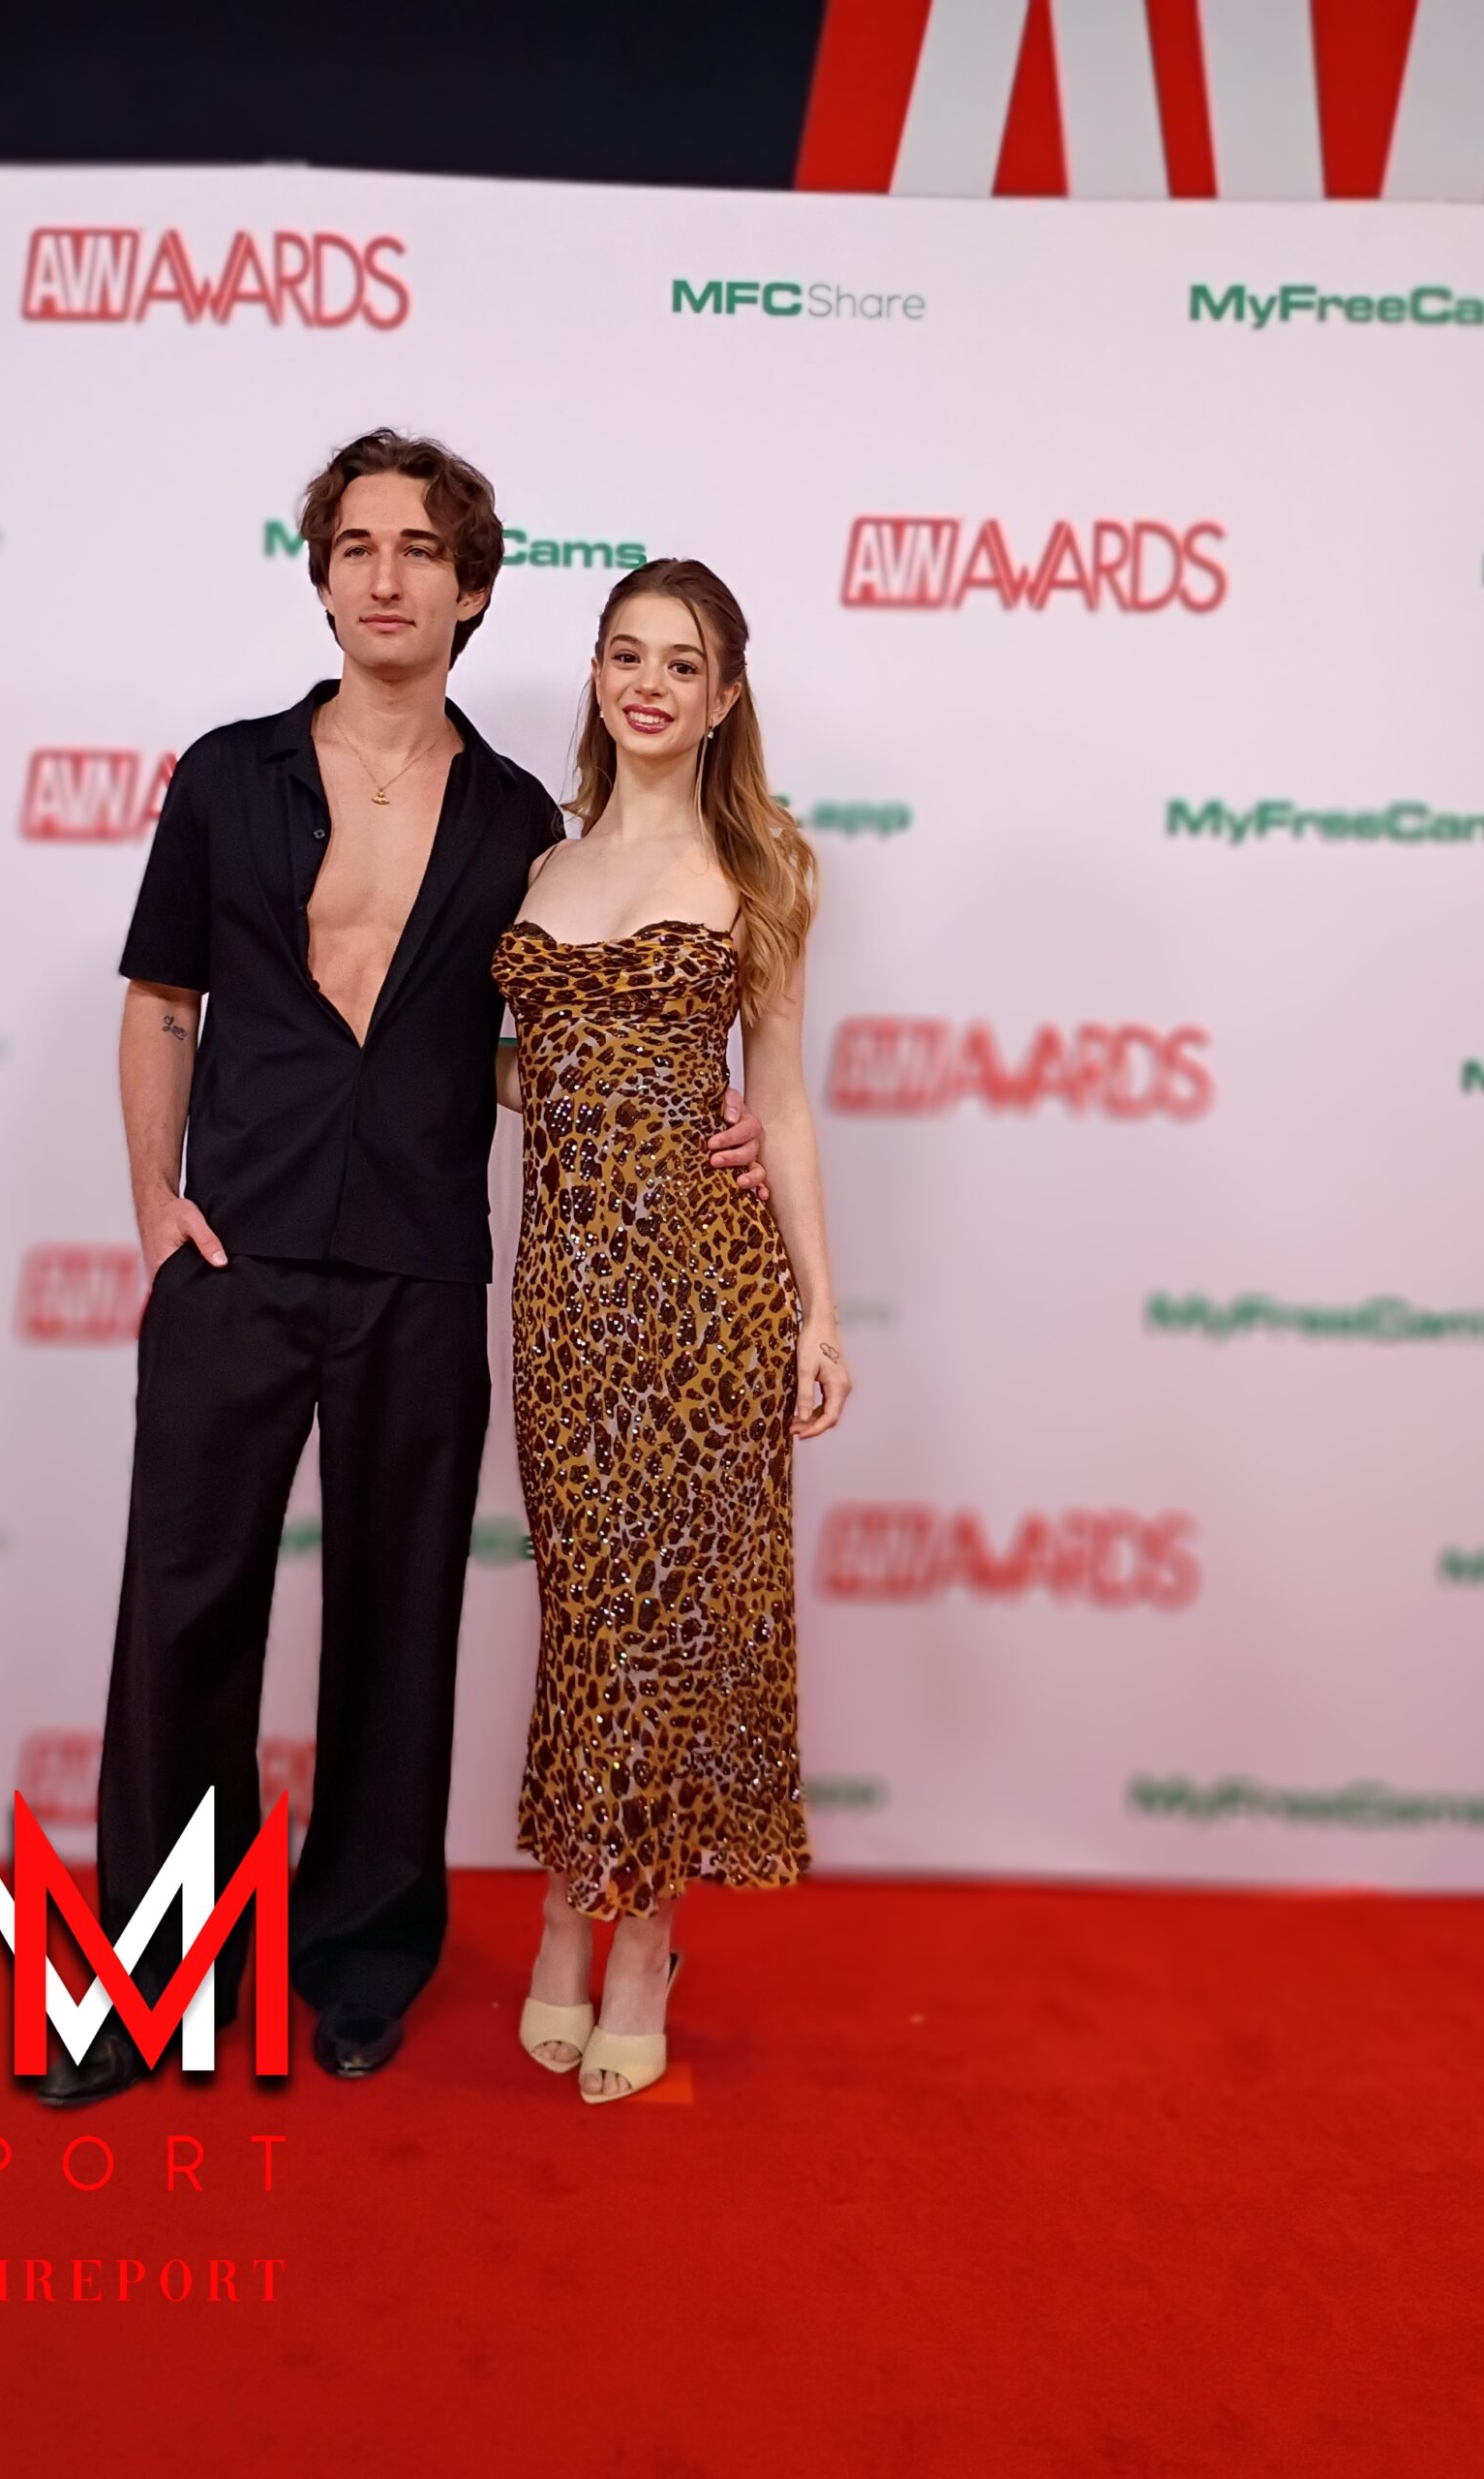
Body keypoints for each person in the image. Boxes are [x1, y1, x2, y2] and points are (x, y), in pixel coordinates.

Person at [39, 437, 768, 2102]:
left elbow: (557, 1039)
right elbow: (161, 1002)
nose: (385, 575)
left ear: (472, 588)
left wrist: (697, 1114)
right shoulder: (224, 778)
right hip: (235, 1251)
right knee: (183, 1622)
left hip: (422, 1269)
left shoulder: (522, 823)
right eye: (357, 546)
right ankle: (154, 1979)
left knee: (398, 1623)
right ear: (322, 578)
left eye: (420, 549)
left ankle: (364, 1959)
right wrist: (154, 1200)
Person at [495, 558, 851, 2102]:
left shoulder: (761, 866)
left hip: (707, 1297)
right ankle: (568, 1903)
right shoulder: (536, 863)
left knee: (672, 1622)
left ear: (722, 698)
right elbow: (521, 1064)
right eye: (626, 655)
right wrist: (577, 1087)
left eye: (682, 663)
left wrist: (820, 1310)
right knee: (587, 1609)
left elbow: (781, 1097)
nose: (649, 683)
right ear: (596, 676)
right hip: (563, 1297)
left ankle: (633, 1945)